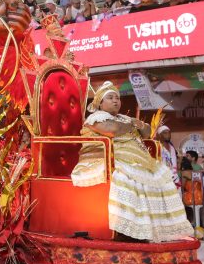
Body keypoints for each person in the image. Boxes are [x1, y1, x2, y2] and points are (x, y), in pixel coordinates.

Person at [70, 82, 193, 242]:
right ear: (100, 103)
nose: (116, 101)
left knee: (160, 177)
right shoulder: (96, 117)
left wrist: (140, 124)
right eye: (110, 97)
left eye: (117, 98)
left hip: (136, 160)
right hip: (104, 159)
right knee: (127, 176)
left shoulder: (123, 118)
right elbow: (112, 129)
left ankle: (152, 229)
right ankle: (127, 231)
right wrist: (132, 124)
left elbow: (148, 132)